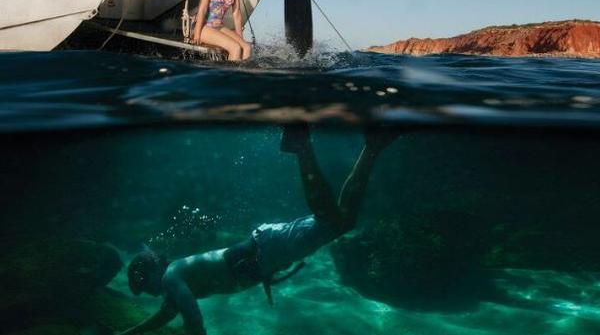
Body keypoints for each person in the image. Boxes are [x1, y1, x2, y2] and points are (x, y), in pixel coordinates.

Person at [119, 125, 396, 335]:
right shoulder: (174, 280)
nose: (149, 294)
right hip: (267, 247)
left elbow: (194, 321)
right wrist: (127, 333)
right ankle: (371, 147)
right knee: (342, 221)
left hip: (268, 248)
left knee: (332, 220)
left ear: (153, 271)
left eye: (144, 287)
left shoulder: (171, 276)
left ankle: (301, 145)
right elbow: (165, 316)